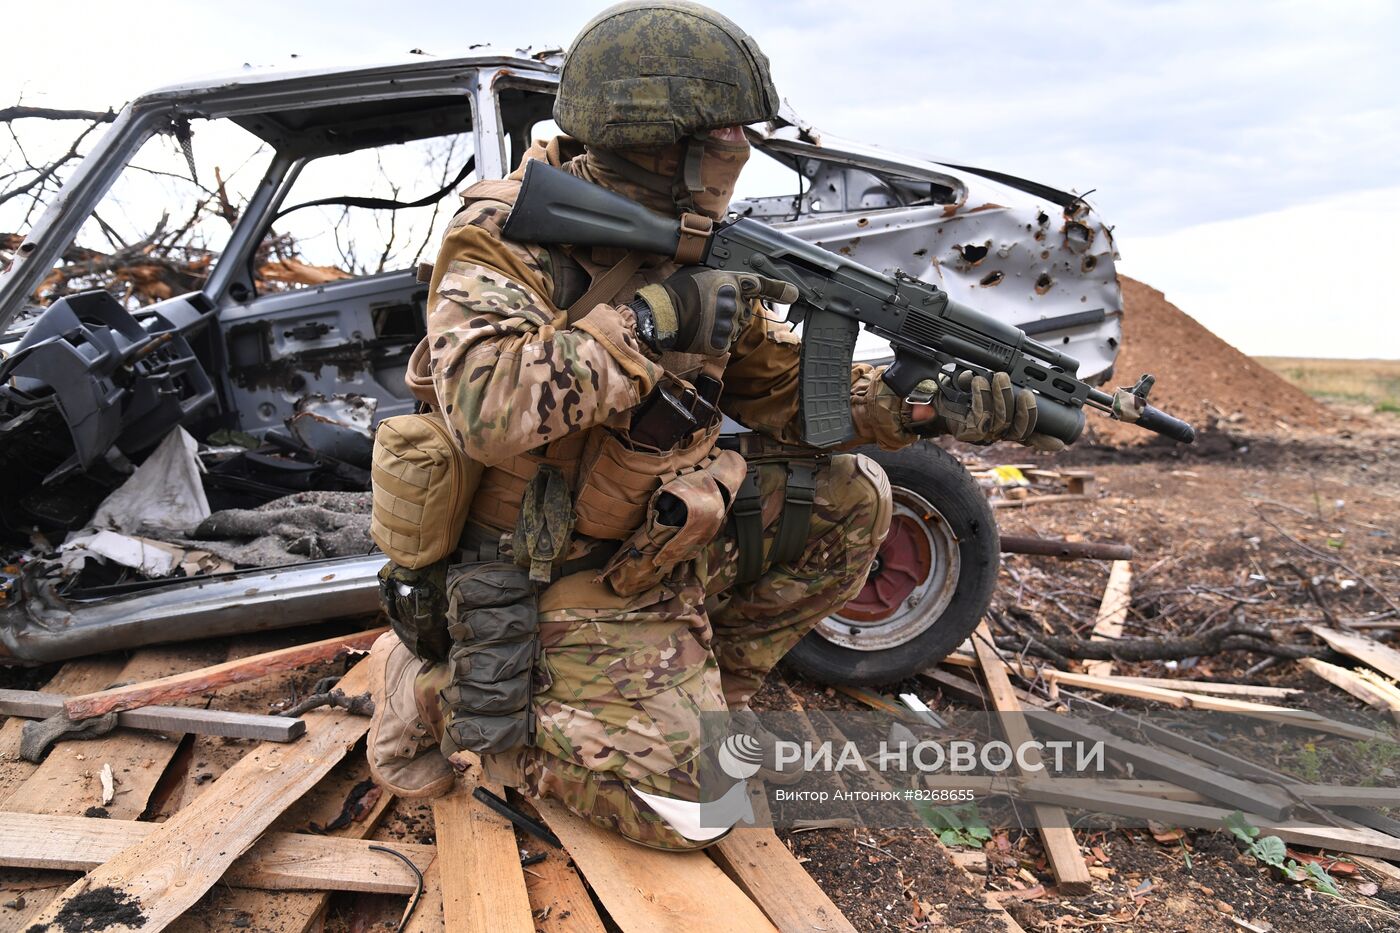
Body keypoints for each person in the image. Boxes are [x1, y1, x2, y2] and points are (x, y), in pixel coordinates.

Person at [366, 0, 1057, 850]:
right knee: (705, 811)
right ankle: (454, 685)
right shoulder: (508, 235)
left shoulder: (696, 242)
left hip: (654, 544)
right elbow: (485, 406)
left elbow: (787, 396)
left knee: (853, 499)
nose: (744, 146)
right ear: (664, 140)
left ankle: (670, 691)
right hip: (543, 569)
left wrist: (917, 404)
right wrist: (650, 322)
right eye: (729, 129)